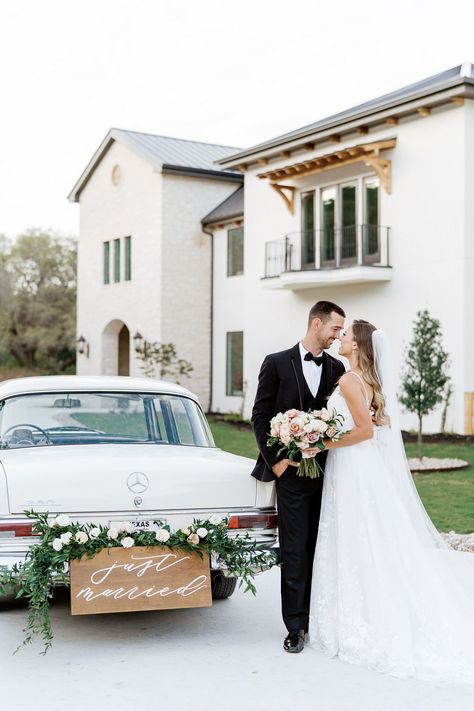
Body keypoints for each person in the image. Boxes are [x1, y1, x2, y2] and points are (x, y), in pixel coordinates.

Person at [309, 320, 474, 683]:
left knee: (355, 537)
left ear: (358, 345)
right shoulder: (367, 380)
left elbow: (364, 431)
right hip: (357, 466)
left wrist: (319, 443)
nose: (340, 339)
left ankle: (363, 623)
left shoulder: (351, 380)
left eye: (346, 336)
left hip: (352, 467)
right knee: (365, 538)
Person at [251, 300, 346, 653]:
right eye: (335, 329)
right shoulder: (276, 363)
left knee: (320, 547)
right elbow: (260, 416)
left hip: (330, 473)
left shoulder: (338, 367)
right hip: (290, 474)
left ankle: (319, 617)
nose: (338, 336)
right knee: (294, 549)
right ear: (317, 323)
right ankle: (295, 625)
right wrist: (276, 462)